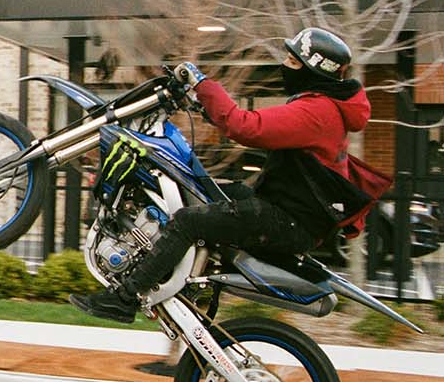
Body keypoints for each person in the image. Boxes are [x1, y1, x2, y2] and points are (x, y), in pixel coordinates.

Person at [71, 27, 371, 323]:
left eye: (293, 62)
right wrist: (207, 108)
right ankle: (183, 280)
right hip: (293, 216)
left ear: (314, 70)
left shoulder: (316, 111)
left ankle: (124, 299)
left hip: (288, 221)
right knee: (219, 193)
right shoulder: (323, 106)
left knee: (188, 221)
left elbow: (246, 127)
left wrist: (203, 85)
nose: (285, 66)